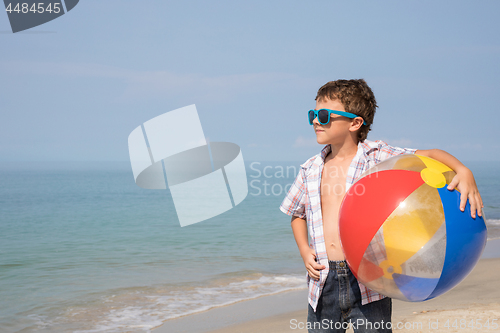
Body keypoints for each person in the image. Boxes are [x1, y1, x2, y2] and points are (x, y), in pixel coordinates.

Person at [279, 79, 484, 333]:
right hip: (323, 281)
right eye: (313, 114)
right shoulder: (310, 168)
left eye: (324, 115)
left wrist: (463, 170)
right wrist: (303, 249)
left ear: (355, 123)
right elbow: (297, 213)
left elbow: (428, 155)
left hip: (371, 278)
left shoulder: (376, 157)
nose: (315, 121)